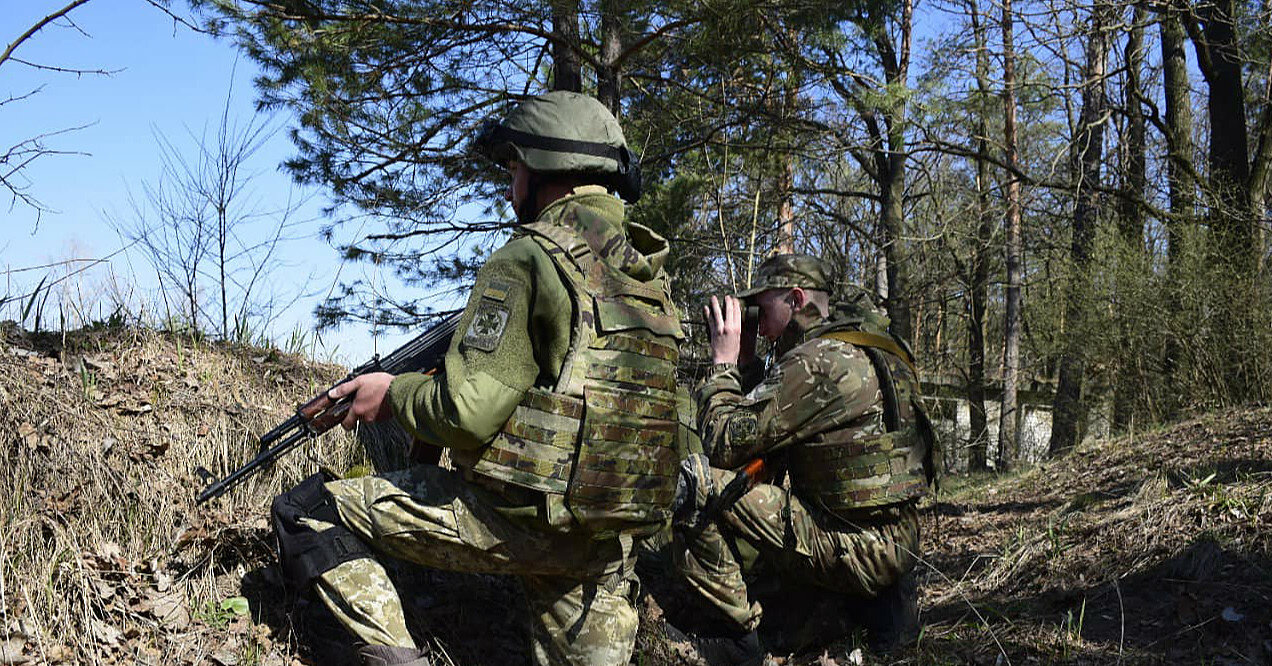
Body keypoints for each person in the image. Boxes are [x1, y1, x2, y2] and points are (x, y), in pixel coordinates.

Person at [269, 91, 686, 666]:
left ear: (542, 168)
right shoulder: (649, 282)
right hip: (606, 541)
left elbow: (467, 411)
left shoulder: (529, 257)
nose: (509, 181)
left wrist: (393, 393)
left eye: (513, 166)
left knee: (311, 510)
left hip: (516, 522)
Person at [669, 253, 936, 663]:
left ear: (796, 299)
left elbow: (723, 441)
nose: (755, 316)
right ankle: (867, 608)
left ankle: (738, 643)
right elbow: (778, 429)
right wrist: (750, 364)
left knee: (696, 487)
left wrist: (723, 365)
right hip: (898, 546)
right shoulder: (874, 344)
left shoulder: (816, 362)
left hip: (854, 548)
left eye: (763, 304)